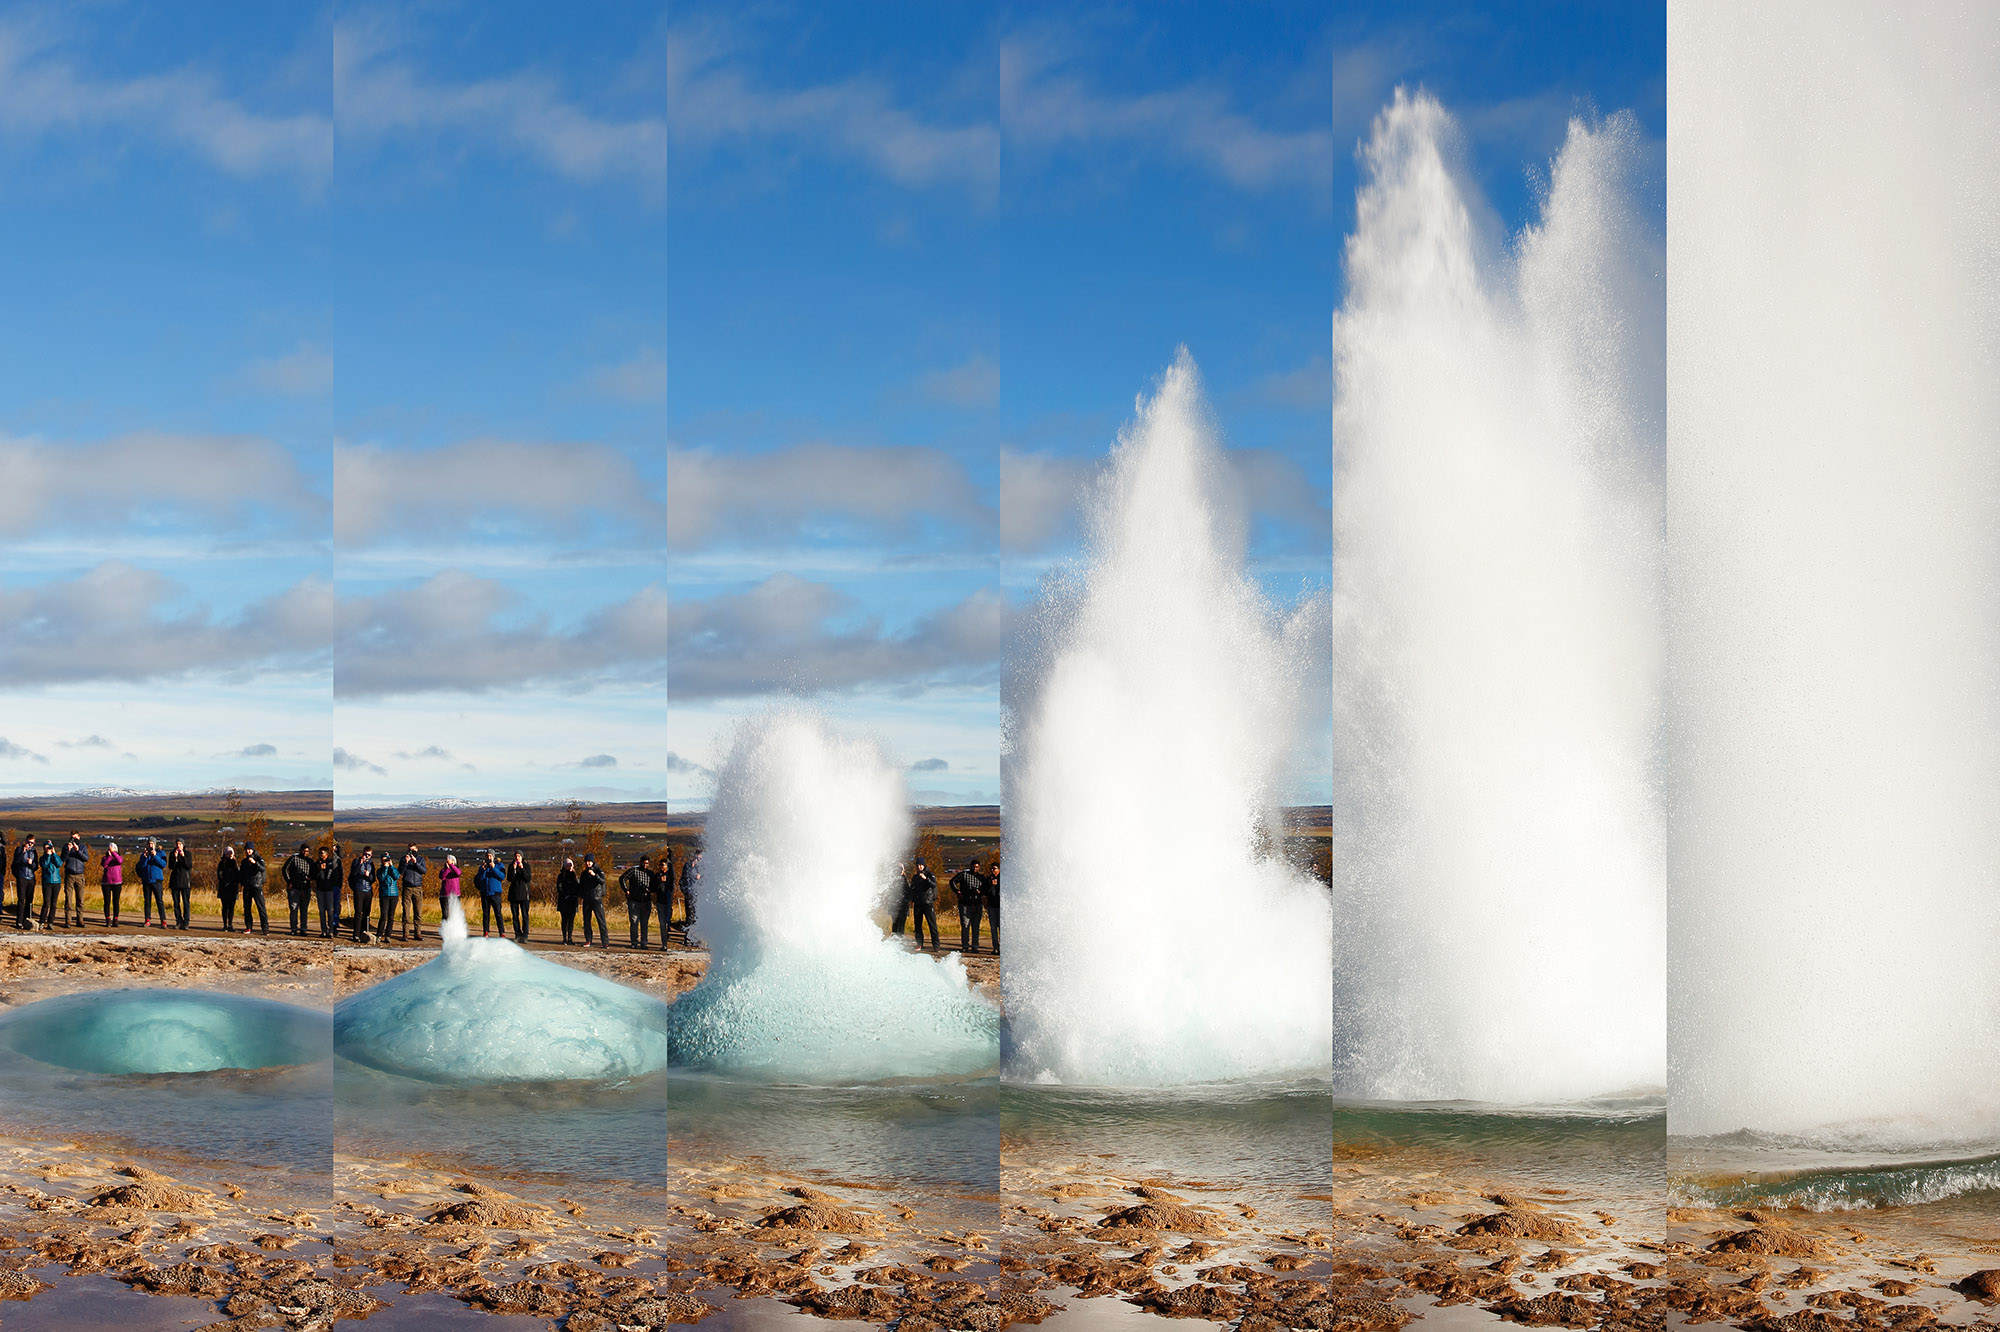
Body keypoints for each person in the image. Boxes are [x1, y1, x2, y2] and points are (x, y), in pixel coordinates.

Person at [953, 857, 988, 953]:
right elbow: (952, 881)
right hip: (965, 904)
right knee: (965, 926)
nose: (975, 868)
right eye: (973, 866)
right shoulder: (964, 875)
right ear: (970, 866)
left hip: (977, 904)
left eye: (977, 867)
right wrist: (957, 891)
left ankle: (975, 946)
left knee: (976, 927)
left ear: (979, 867)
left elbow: (986, 889)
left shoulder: (981, 878)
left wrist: (980, 892)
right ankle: (965, 945)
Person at [904, 856, 939, 951]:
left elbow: (933, 884)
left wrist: (925, 878)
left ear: (924, 865)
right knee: (917, 925)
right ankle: (919, 944)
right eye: (918, 865)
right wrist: (912, 899)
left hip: (928, 903)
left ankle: (936, 945)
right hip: (918, 903)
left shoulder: (930, 874)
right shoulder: (915, 877)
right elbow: (912, 889)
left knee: (932, 925)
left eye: (921, 865)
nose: (919, 867)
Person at [621, 855, 653, 949]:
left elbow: (655, 885)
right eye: (643, 863)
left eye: (647, 863)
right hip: (634, 901)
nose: (645, 865)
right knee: (634, 922)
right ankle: (634, 942)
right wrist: (626, 890)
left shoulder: (651, 874)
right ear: (640, 862)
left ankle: (644, 942)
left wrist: (650, 890)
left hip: (646, 901)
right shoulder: (634, 871)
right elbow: (622, 878)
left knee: (644, 923)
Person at [282, 842, 313, 936]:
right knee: (293, 908)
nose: (305, 853)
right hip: (294, 888)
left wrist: (310, 878)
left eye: (307, 851)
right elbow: (284, 869)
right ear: (300, 850)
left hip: (306, 888)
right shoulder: (293, 859)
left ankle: (303, 929)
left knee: (304, 909)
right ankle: (293, 929)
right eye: (303, 851)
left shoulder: (310, 861)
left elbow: (315, 873)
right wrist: (289, 881)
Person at [578, 852, 607, 947]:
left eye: (589, 861)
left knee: (601, 921)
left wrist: (595, 875)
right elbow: (581, 886)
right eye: (586, 861)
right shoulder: (584, 873)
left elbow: (602, 881)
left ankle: (605, 942)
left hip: (597, 899)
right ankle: (588, 940)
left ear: (593, 862)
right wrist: (581, 896)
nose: (588, 863)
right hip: (587, 899)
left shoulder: (599, 871)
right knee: (586, 921)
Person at [137, 838, 167, 928]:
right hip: (146, 880)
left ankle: (163, 920)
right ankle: (147, 919)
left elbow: (163, 864)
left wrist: (155, 855)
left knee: (159, 901)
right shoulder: (144, 855)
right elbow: (141, 866)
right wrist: (145, 858)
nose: (150, 845)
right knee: (147, 901)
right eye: (149, 844)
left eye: (152, 844)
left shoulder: (161, 853)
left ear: (155, 844)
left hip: (157, 880)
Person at [399, 845, 427, 941]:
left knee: (418, 912)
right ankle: (405, 934)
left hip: (418, 887)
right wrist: (406, 863)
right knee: (406, 913)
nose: (412, 852)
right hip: (407, 887)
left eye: (413, 850)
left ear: (417, 850)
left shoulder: (420, 859)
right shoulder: (403, 859)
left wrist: (416, 863)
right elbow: (400, 872)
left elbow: (424, 871)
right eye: (410, 850)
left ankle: (417, 933)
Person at [239, 845, 269, 934]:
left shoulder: (259, 858)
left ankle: (265, 928)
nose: (248, 851)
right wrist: (242, 882)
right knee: (247, 908)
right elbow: (241, 873)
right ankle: (248, 927)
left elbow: (262, 869)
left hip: (257, 886)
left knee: (261, 908)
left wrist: (255, 863)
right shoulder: (244, 861)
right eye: (247, 849)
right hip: (247, 887)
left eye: (250, 849)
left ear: (253, 850)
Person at [60, 833, 87, 928]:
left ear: (79, 837)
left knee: (80, 899)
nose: (74, 839)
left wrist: (78, 850)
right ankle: (68, 921)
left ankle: (80, 920)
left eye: (76, 837)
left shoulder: (82, 847)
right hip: (69, 875)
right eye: (72, 838)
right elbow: (62, 859)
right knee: (68, 899)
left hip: (80, 874)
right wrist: (68, 850)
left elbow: (86, 858)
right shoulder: (66, 847)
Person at [314, 845, 342, 939]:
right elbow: (313, 876)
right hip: (320, 890)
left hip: (330, 890)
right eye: (319, 853)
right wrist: (319, 869)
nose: (320, 855)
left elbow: (336, 875)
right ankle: (323, 930)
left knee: (330, 911)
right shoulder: (317, 863)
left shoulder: (331, 863)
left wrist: (334, 885)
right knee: (322, 911)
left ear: (326, 854)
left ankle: (331, 930)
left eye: (322, 853)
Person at [348, 846, 375, 942]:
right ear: (362, 853)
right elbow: (352, 874)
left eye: (369, 855)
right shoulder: (356, 862)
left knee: (366, 913)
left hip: (368, 890)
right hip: (359, 889)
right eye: (365, 854)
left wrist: (369, 875)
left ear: (371, 855)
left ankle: (364, 932)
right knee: (358, 912)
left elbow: (373, 879)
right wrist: (360, 864)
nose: (367, 856)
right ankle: (356, 934)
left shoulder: (371, 864)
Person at [476, 853, 506, 937]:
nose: (489, 857)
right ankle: (486, 931)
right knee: (485, 914)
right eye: (487, 856)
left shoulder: (499, 865)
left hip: (495, 893)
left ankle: (501, 932)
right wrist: (483, 870)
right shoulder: (482, 867)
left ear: (493, 857)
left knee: (498, 913)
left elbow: (502, 877)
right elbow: (480, 879)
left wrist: (494, 868)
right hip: (485, 893)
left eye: (490, 856)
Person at [650, 850, 675, 950]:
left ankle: (668, 941)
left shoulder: (670, 876)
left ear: (667, 866)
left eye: (663, 865)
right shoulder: (657, 876)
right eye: (660, 865)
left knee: (668, 922)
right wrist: (660, 882)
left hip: (668, 902)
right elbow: (653, 888)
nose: (661, 866)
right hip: (660, 902)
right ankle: (664, 944)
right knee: (662, 924)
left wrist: (669, 853)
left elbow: (672, 884)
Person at [506, 851, 532, 943]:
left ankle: (525, 935)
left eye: (519, 856)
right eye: (516, 856)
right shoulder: (511, 866)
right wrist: (514, 869)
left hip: (524, 895)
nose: (517, 858)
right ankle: (517, 934)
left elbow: (528, 878)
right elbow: (509, 878)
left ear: (522, 857)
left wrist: (522, 868)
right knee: (515, 916)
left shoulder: (526, 865)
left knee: (525, 916)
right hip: (514, 895)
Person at [10, 835, 36, 928]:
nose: (30, 844)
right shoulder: (19, 849)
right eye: (28, 842)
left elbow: (36, 866)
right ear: (25, 842)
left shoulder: (34, 851)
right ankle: (19, 921)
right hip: (22, 876)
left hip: (31, 877)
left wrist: (31, 864)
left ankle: (27, 919)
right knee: (21, 899)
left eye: (32, 843)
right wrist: (23, 852)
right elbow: (15, 862)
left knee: (29, 899)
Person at [167, 838, 193, 929]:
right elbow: (171, 866)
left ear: (183, 845)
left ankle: (186, 922)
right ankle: (178, 921)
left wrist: (183, 856)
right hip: (175, 882)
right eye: (177, 844)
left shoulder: (188, 854)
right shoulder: (172, 854)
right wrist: (175, 857)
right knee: (176, 903)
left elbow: (188, 866)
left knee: (186, 903)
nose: (178, 846)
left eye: (180, 844)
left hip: (185, 882)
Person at [677, 848, 702, 942]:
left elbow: (707, 880)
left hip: (699, 895)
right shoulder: (687, 866)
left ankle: (696, 938)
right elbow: (682, 880)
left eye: (699, 858)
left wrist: (700, 877)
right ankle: (688, 937)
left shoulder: (703, 867)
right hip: (690, 894)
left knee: (698, 917)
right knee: (689, 916)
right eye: (697, 857)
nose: (698, 860)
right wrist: (685, 892)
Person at [216, 845, 241, 932]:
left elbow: (238, 873)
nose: (229, 854)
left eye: (231, 853)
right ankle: (225, 925)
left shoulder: (235, 863)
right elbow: (219, 874)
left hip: (233, 888)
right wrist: (225, 882)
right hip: (224, 888)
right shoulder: (222, 863)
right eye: (227, 853)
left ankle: (230, 924)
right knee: (225, 907)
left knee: (231, 907)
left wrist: (235, 883)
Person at [555, 855, 580, 945]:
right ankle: (564, 938)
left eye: (570, 865)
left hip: (573, 901)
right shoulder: (561, 876)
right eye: (568, 865)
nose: (569, 867)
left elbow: (578, 886)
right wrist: (566, 895)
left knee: (571, 920)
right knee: (564, 919)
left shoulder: (574, 875)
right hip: (564, 901)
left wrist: (575, 896)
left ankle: (570, 937)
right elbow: (559, 887)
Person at [375, 852, 400, 938]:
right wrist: (385, 868)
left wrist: (391, 866)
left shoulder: (394, 869)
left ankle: (388, 935)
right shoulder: (379, 870)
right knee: (383, 916)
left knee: (391, 917)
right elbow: (381, 878)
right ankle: (379, 934)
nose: (385, 861)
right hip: (384, 894)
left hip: (394, 894)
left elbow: (397, 876)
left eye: (386, 859)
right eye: (383, 860)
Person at [100, 840, 124, 925]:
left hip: (117, 883)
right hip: (106, 883)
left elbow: (119, 861)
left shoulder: (119, 857)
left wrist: (113, 853)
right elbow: (104, 864)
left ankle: (115, 919)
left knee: (116, 902)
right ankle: (107, 919)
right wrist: (109, 856)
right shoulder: (105, 858)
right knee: (107, 901)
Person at [37, 842, 60, 927]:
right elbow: (45, 865)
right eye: (46, 848)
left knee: (54, 903)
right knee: (46, 902)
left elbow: (59, 864)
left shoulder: (55, 856)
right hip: (47, 881)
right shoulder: (42, 858)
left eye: (49, 847)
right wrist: (48, 855)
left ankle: (50, 922)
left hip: (56, 881)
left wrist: (54, 854)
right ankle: (42, 921)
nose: (47, 849)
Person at [438, 854, 462, 923]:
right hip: (445, 895)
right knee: (445, 914)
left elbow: (458, 873)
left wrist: (451, 865)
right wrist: (447, 869)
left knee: (455, 913)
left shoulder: (457, 870)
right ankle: (445, 928)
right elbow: (442, 877)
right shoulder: (443, 870)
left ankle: (455, 927)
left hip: (455, 895)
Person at [984, 859, 1001, 953]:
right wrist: (991, 885)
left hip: (1000, 906)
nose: (992, 870)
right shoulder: (988, 879)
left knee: (1001, 928)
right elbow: (985, 892)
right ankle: (995, 948)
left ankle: (1002, 947)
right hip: (991, 906)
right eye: (991, 869)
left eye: (994, 868)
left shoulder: (1003, 878)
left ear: (999, 869)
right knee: (993, 928)